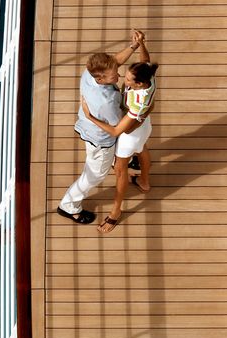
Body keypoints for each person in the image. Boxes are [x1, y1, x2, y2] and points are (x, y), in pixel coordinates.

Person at [57, 30, 146, 225]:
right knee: (95, 175)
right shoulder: (105, 102)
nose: (119, 75)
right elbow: (117, 127)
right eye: (114, 75)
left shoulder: (90, 73)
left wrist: (134, 46)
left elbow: (115, 61)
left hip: (87, 126)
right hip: (100, 140)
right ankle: (68, 205)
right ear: (101, 79)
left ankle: (129, 159)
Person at [80, 32, 157, 234]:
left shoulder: (137, 101)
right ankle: (144, 182)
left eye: (129, 80)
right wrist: (139, 45)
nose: (124, 78)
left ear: (139, 85)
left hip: (129, 133)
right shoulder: (147, 74)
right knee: (142, 149)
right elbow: (145, 61)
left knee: (121, 170)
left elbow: (116, 130)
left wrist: (90, 117)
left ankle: (115, 212)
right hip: (144, 126)